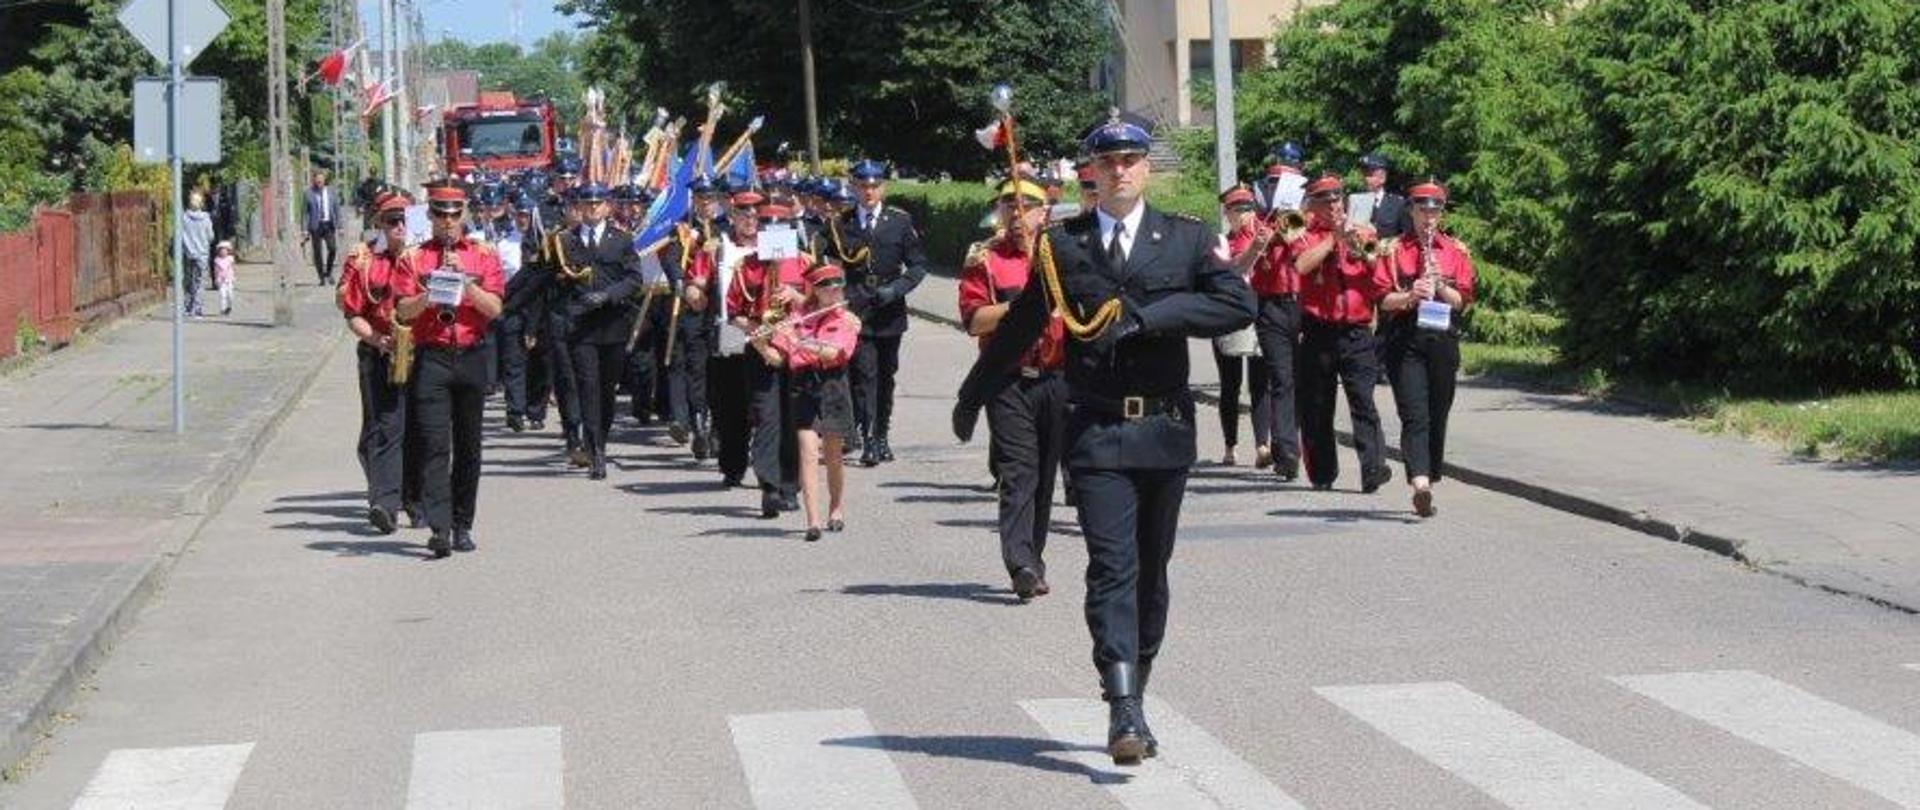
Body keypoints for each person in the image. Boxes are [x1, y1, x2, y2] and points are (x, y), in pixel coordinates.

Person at [952, 112, 1255, 765]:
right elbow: (1023, 322)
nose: (1119, 171)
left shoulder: (1186, 238)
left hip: (1164, 429)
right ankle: (1121, 704)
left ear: (1146, 168)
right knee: (1111, 566)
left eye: (1130, 160)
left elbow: (1237, 305)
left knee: (1151, 571)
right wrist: (974, 391)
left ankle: (1136, 688)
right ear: (1091, 170)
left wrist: (1152, 317)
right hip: (1095, 428)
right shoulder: (1064, 244)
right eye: (1107, 162)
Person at [956, 178, 1067, 601]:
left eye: (1028, 207)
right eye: (1009, 207)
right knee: (1019, 472)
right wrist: (1021, 308)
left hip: (1057, 376)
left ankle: (1034, 558)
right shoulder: (985, 259)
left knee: (1045, 476)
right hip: (1008, 379)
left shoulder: (1062, 255)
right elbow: (974, 320)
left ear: (1044, 212)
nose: (1019, 216)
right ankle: (1020, 563)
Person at [394, 183, 505, 557]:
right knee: (434, 445)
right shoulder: (414, 258)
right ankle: (439, 527)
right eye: (441, 214)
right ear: (430, 216)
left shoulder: (483, 254)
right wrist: (432, 292)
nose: (448, 222)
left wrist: (465, 284)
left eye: (454, 215)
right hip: (433, 357)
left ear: (463, 215)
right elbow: (402, 310)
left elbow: (495, 309)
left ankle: (462, 524)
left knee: (469, 446)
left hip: (472, 355)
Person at [1377, 180, 1475, 518]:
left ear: (1441, 213)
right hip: (1405, 338)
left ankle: (1428, 473)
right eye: (1422, 210)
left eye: (1435, 210)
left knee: (1437, 411)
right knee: (1413, 412)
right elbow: (1382, 299)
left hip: (1442, 336)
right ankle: (1420, 483)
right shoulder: (1393, 249)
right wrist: (1410, 295)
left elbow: (1463, 301)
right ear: (1411, 211)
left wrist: (1441, 284)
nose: (1429, 217)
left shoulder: (1455, 250)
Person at [1291, 175, 1393, 493]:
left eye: (1337, 200)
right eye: (1326, 202)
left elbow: (1377, 265)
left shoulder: (1364, 230)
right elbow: (1301, 266)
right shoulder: (1301, 231)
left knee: (1363, 399)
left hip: (1356, 331)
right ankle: (1322, 473)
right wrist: (1332, 241)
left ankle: (1373, 467)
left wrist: (1360, 247)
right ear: (1313, 205)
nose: (1334, 206)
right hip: (1318, 330)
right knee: (1318, 404)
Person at [336, 192, 421, 534]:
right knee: (385, 427)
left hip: (422, 352)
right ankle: (385, 503)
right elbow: (352, 313)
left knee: (419, 428)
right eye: (392, 221)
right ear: (380, 224)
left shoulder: (426, 257)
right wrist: (377, 340)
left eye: (405, 220)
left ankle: (416, 501)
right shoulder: (364, 259)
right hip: (380, 351)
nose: (400, 227)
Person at [840, 158, 929, 467]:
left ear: (883, 187)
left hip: (889, 310)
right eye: (863, 186)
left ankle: (881, 435)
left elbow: (918, 266)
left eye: (875, 186)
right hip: (857, 310)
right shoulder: (842, 223)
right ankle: (867, 439)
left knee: (885, 375)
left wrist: (897, 289)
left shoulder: (899, 222)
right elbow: (827, 265)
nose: (869, 191)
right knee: (864, 375)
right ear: (853, 187)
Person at [765, 262, 859, 542]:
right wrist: (760, 343)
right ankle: (813, 521)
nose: (834, 293)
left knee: (832, 454)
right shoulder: (797, 317)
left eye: (838, 288)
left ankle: (836, 507)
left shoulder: (847, 320)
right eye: (828, 289)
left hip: (833, 385)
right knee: (807, 451)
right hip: (803, 385)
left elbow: (833, 354)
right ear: (815, 291)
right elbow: (778, 358)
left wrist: (798, 340)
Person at [554, 183, 642, 480]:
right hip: (580, 327)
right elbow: (549, 279)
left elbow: (634, 279)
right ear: (579, 207)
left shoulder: (622, 239)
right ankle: (595, 452)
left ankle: (600, 438)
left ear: (607, 207)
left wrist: (608, 295)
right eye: (587, 203)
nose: (592, 208)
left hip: (612, 324)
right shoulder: (565, 241)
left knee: (606, 390)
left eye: (598, 203)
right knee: (587, 388)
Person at [727, 200, 808, 518]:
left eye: (779, 230)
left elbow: (823, 304)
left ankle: (790, 485)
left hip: (797, 350)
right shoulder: (747, 266)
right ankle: (769, 487)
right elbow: (735, 312)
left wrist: (797, 296)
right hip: (761, 350)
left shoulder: (804, 263)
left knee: (794, 417)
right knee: (766, 416)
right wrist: (760, 340)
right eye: (767, 229)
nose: (773, 236)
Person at [696, 189, 766, 489]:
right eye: (743, 214)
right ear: (733, 216)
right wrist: (694, 291)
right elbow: (698, 280)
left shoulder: (777, 243)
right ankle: (733, 465)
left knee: (765, 403)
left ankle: (767, 466)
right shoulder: (717, 246)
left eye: (756, 214)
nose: (750, 220)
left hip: (768, 330)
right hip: (732, 330)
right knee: (731, 401)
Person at [1212, 185, 1274, 468]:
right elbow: (1231, 269)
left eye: (1248, 209)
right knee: (1230, 384)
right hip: (1230, 315)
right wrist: (1253, 248)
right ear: (1227, 214)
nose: (1245, 215)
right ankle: (1230, 444)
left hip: (1261, 312)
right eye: (1238, 210)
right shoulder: (1221, 241)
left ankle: (1263, 444)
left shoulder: (1265, 235)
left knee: (1260, 383)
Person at [1348, 153, 1411, 239]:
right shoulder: (1355, 202)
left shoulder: (1398, 204)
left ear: (1382, 178)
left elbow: (1406, 236)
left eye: (1370, 175)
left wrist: (1377, 236)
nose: (1365, 179)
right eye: (1363, 174)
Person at [303, 169, 341, 285]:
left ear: (324, 180)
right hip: (315, 226)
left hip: (328, 224)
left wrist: (340, 226)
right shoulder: (308, 193)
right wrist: (304, 230)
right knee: (317, 252)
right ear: (314, 180)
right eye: (317, 180)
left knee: (332, 248)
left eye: (321, 180)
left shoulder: (331, 192)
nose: (319, 182)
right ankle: (321, 277)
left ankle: (328, 272)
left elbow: (336, 209)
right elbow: (305, 213)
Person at [181, 192, 214, 318]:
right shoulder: (206, 218)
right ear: (201, 203)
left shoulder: (184, 217)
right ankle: (197, 309)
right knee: (199, 282)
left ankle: (187, 307)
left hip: (188, 254)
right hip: (202, 254)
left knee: (188, 281)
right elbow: (210, 236)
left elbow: (179, 234)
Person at [1254, 142, 1307, 216]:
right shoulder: (1260, 184)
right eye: (1282, 156)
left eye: (1293, 157)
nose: (1287, 159)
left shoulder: (1306, 183)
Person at [212, 240, 236, 316]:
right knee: (222, 295)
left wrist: (233, 276)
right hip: (221, 280)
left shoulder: (230, 259)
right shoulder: (217, 260)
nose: (223, 252)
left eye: (225, 250)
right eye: (221, 250)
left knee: (230, 295)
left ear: (228, 251)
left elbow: (233, 268)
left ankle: (229, 306)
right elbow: (215, 270)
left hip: (229, 280)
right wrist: (216, 279)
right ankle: (222, 309)